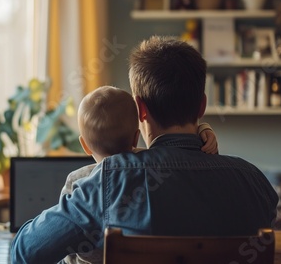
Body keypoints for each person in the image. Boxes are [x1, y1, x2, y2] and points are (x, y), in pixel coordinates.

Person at [11, 37, 278, 264]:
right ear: (201, 106)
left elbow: (24, 253)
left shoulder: (107, 181)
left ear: (140, 109)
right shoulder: (255, 182)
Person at [60, 85, 218, 264]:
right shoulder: (150, 168)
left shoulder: (78, 181)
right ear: (136, 137)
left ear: (84, 145)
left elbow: (64, 244)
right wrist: (203, 129)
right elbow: (178, 152)